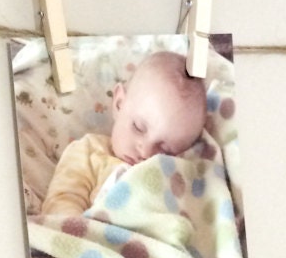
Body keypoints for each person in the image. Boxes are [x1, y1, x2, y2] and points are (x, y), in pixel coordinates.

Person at [41, 50, 208, 217]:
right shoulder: (88, 152)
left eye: (166, 150)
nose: (145, 152)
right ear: (119, 103)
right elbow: (62, 201)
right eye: (138, 127)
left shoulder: (174, 171)